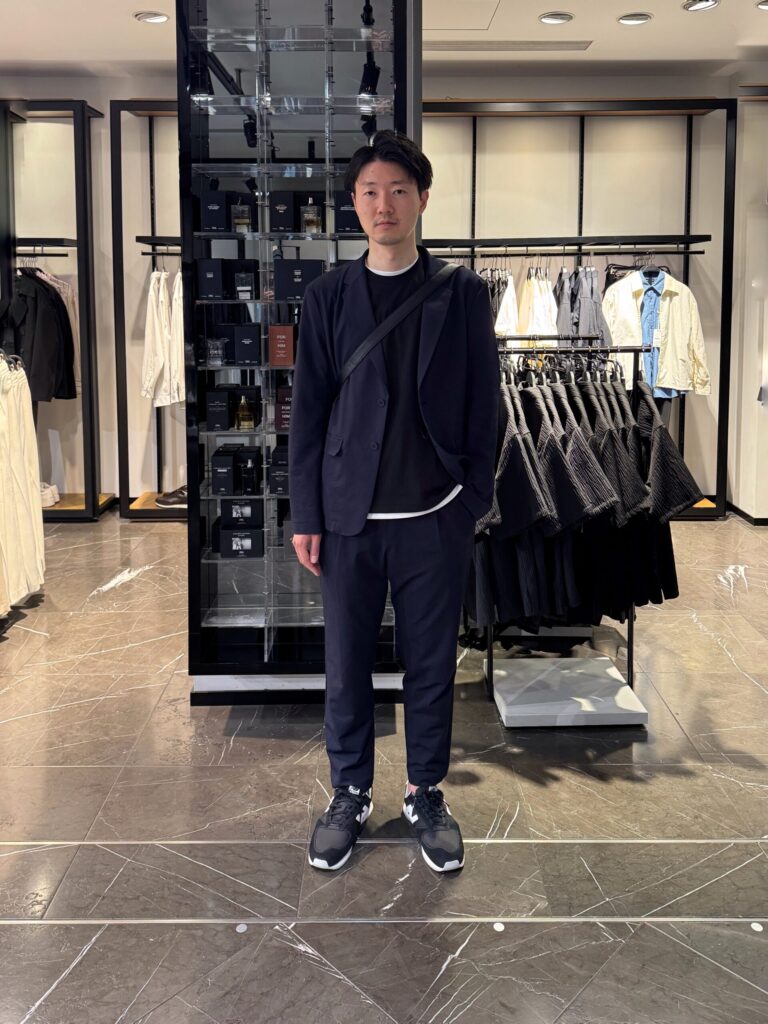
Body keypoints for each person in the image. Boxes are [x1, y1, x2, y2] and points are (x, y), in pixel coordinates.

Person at [288, 130, 499, 873]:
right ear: (354, 203)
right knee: (346, 664)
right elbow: (308, 411)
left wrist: (470, 499)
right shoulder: (327, 297)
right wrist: (306, 514)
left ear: (423, 200)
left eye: (399, 191)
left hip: (434, 515)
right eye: (371, 192)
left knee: (431, 664)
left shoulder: (462, 293)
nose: (386, 205)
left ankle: (424, 792)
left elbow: (486, 404)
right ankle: (348, 791)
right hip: (348, 518)